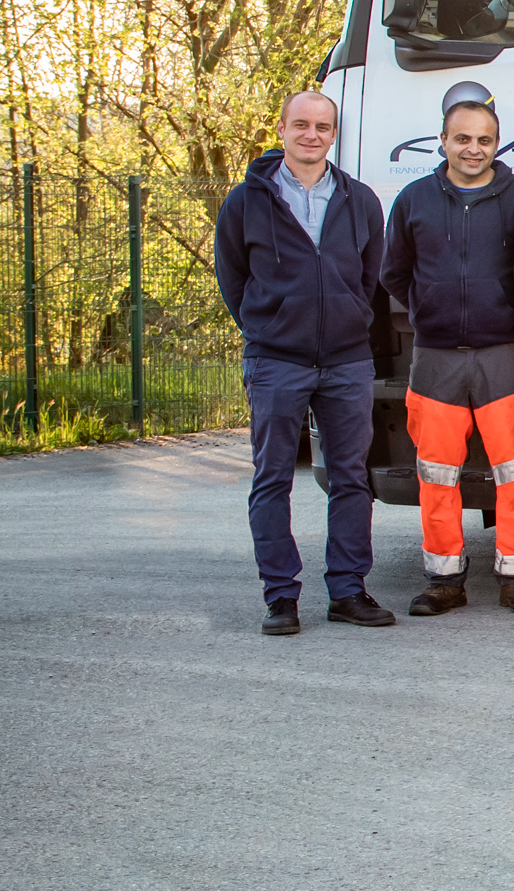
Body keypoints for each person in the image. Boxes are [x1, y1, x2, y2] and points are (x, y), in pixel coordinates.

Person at [214, 90, 395, 635]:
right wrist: (266, 327)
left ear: (334, 134)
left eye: (322, 126)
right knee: (272, 478)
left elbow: (371, 276)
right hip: (276, 360)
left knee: (351, 479)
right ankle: (280, 597)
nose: (311, 135)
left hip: (346, 361)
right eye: (301, 125)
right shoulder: (247, 201)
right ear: (282, 129)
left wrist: (349, 320)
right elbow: (232, 276)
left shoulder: (359, 199)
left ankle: (347, 590)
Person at [384, 94, 514, 616]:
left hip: (506, 355)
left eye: (484, 140)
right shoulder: (413, 199)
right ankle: (443, 579)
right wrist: (432, 310)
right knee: (436, 472)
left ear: (498, 145)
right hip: (436, 358)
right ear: (443, 141)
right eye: (462, 138)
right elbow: (394, 273)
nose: (473, 149)